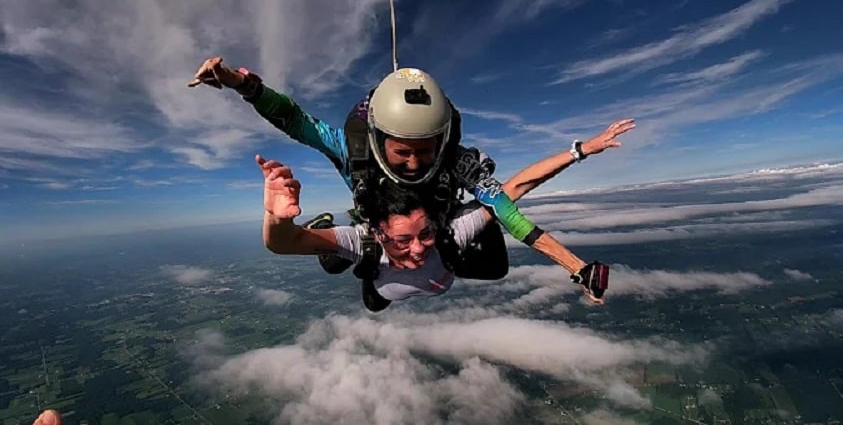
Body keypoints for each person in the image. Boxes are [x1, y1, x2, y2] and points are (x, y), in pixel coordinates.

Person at [190, 58, 635, 284]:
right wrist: (240, 82)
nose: (415, 162)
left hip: (432, 226)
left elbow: (515, 200)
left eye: (426, 150)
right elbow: (296, 120)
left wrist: (580, 152)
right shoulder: (355, 149)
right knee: (343, 260)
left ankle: (418, 245)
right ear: (381, 138)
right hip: (377, 229)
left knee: (492, 263)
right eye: (403, 151)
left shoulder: (456, 162)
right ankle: (336, 235)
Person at [256, 140, 613, 310]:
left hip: (436, 275)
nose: (417, 248)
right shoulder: (364, 239)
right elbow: (283, 243)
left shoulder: (449, 234)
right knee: (353, 277)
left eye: (424, 233)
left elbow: (516, 188)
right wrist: (276, 217)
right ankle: (331, 246)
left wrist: (579, 151)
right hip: (380, 289)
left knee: (491, 242)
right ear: (380, 233)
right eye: (401, 240)